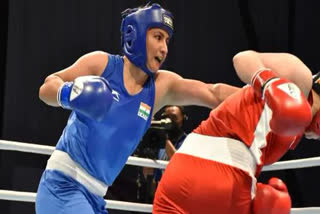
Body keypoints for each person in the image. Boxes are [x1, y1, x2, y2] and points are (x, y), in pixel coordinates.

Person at [35, 3, 239, 214]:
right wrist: (70, 93)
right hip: (62, 186)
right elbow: (47, 87)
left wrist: (263, 91)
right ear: (137, 35)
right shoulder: (101, 65)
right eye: (158, 37)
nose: (164, 48)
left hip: (94, 198)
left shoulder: (160, 87)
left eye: (167, 41)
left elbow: (213, 93)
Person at [152, 50, 316, 214]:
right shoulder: (301, 79)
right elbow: (243, 58)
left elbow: (218, 94)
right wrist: (269, 84)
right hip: (227, 177)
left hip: (181, 171)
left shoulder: (283, 120)